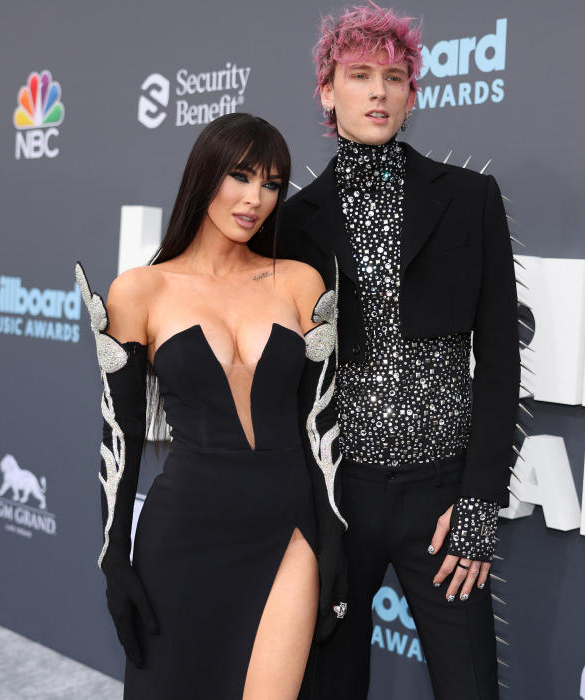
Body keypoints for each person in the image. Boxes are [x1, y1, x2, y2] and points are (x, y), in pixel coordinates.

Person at [277, 5, 520, 699]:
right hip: (337, 497)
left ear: (414, 93)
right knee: (328, 686)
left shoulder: (471, 199)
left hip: (442, 497)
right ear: (328, 91)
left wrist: (477, 502)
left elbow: (500, 362)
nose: (378, 91)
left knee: (470, 686)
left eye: (394, 76)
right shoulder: (292, 221)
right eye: (360, 75)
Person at [75, 112, 346, 699]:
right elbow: (117, 437)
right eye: (241, 177)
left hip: (287, 533)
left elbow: (321, 430)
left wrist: (335, 545)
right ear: (204, 175)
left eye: (272, 184)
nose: (255, 199)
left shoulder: (300, 283)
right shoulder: (140, 291)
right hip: (183, 536)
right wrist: (112, 559)